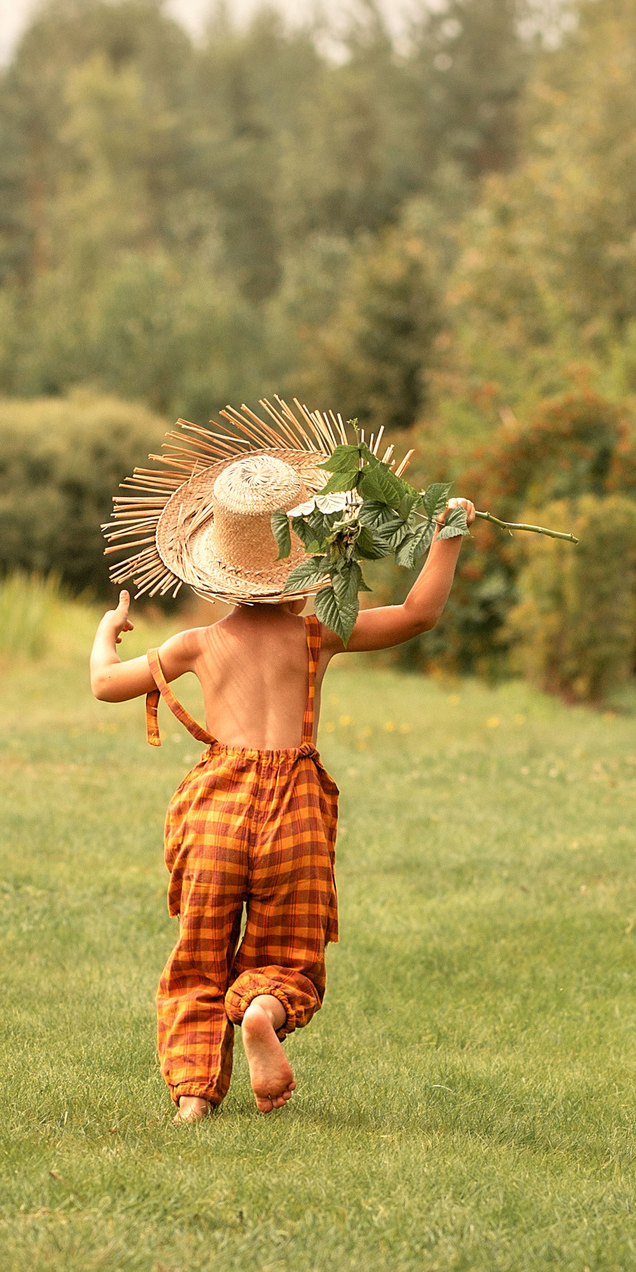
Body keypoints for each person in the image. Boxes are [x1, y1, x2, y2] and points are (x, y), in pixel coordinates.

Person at [90, 406, 476, 1121]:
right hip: (294, 804)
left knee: (199, 954)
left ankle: (193, 1098)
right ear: (310, 557)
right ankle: (263, 1008)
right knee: (288, 949)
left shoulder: (198, 644)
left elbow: (105, 684)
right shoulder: (319, 632)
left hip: (218, 805)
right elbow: (420, 614)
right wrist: (447, 534)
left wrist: (108, 632)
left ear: (217, 567)